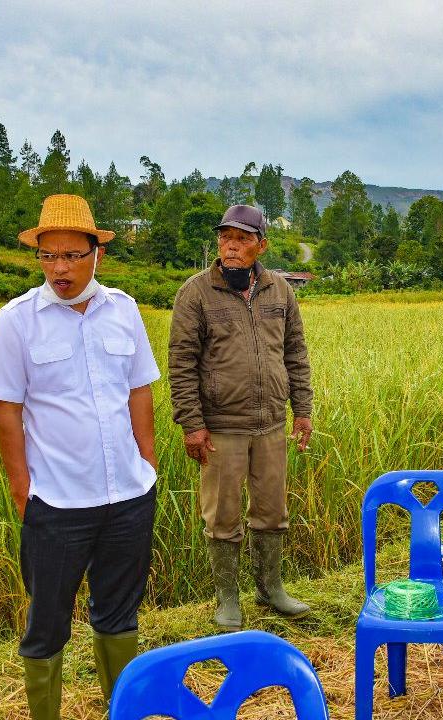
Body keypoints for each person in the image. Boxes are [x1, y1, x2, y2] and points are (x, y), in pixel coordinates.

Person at [0, 195, 160, 718]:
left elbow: (140, 392)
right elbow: (7, 412)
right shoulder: (16, 322)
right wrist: (23, 493)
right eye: (48, 256)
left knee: (119, 615)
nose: (60, 268)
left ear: (95, 253)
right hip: (56, 503)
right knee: (47, 621)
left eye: (71, 256)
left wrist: (146, 467)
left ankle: (120, 708)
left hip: (128, 496)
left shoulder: (123, 310)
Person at [168, 204, 314, 631]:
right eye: (225, 237)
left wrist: (301, 410)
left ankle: (271, 589)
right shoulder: (195, 293)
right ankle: (227, 599)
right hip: (221, 428)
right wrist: (192, 424)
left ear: (261, 245)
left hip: (269, 424)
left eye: (242, 238)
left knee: (271, 511)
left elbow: (295, 354)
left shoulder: (280, 291)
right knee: (223, 515)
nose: (231, 246)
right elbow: (181, 363)